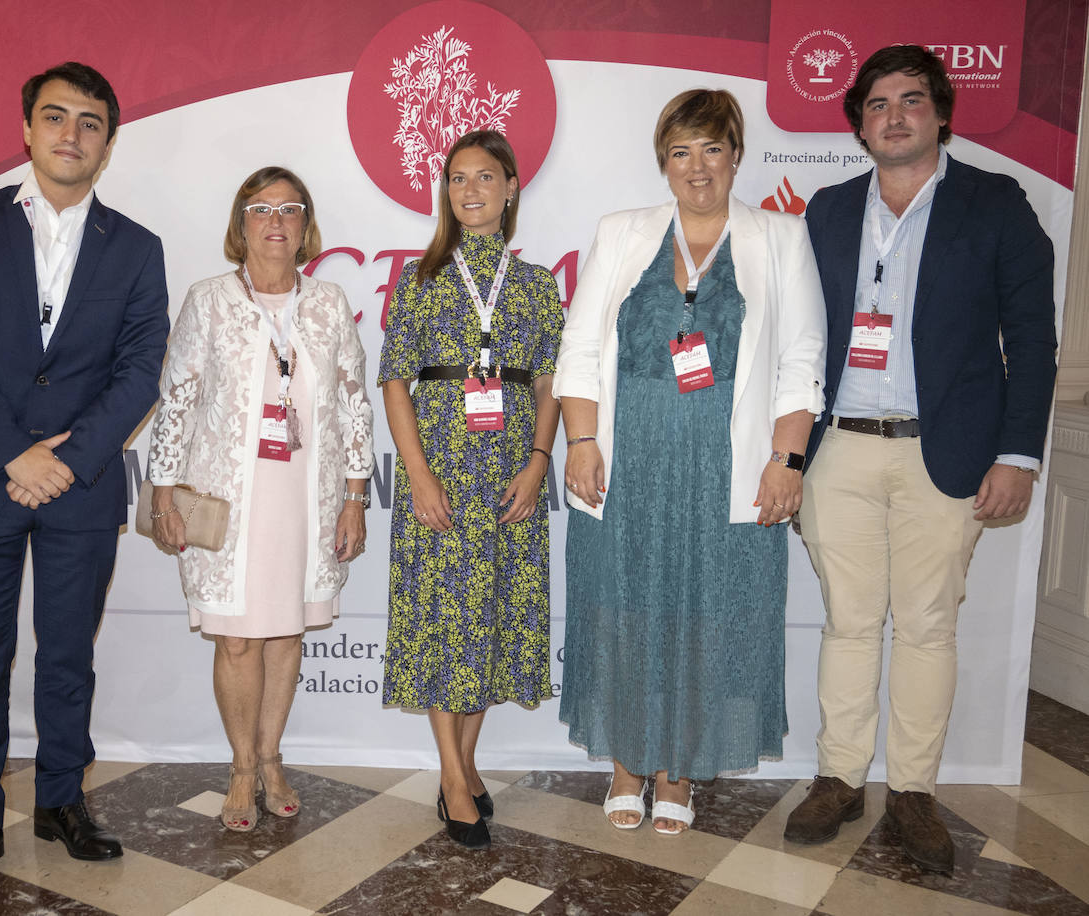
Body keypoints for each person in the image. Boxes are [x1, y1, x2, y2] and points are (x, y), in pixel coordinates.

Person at [785, 45, 1057, 875]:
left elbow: (1033, 338)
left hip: (951, 453)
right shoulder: (828, 210)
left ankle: (912, 792)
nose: (893, 115)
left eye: (910, 100)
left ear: (941, 113)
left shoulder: (995, 203)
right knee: (850, 623)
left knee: (929, 628)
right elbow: (798, 341)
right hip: (841, 452)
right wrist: (789, 453)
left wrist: (1017, 453)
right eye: (876, 103)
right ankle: (838, 777)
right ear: (858, 123)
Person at [0, 62, 169, 901]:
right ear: (27, 130)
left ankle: (63, 801)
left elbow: (140, 368)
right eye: (55, 117)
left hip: (81, 484)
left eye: (89, 121)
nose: (71, 133)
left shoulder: (135, 247)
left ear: (108, 140)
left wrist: (65, 458)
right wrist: (13, 454)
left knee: (68, 658)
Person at [555, 89, 826, 835]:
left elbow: (802, 357)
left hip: (728, 458)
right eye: (681, 152)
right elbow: (579, 347)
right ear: (663, 163)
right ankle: (625, 763)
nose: (697, 167)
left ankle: (678, 771)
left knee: (709, 613)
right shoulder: (622, 232)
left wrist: (787, 457)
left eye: (711, 149)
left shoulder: (780, 236)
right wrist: (581, 441)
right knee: (623, 607)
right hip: (627, 452)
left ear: (737, 154)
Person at [147, 166, 373, 832]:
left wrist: (356, 494)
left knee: (286, 632)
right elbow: (178, 399)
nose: (276, 222)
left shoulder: (329, 302)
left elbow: (356, 404)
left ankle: (273, 757)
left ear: (306, 227)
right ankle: (242, 767)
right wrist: (162, 490)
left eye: (290, 209)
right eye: (261, 209)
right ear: (240, 225)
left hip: (308, 495)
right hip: (228, 497)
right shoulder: (208, 299)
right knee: (239, 642)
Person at [378, 130, 563, 850]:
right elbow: (395, 382)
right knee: (440, 622)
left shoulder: (538, 283)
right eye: (458, 179)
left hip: (512, 474)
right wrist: (418, 476)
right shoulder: (419, 279)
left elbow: (550, 382)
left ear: (512, 187)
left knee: (490, 617)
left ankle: (467, 762)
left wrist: (539, 460)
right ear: (446, 192)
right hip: (443, 475)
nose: (471, 191)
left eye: (486, 177)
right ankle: (453, 778)